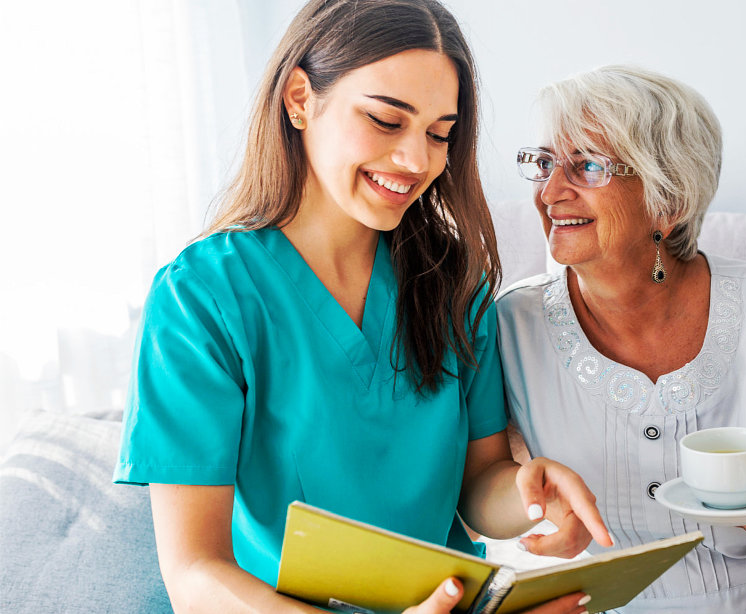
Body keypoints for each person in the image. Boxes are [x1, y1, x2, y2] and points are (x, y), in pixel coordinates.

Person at [114, 2, 612, 612]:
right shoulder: (199, 299)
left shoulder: (456, 280)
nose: (417, 161)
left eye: (439, 134)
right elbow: (195, 571)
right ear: (300, 98)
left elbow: (477, 486)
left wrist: (530, 493)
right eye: (384, 121)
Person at [497, 65, 746, 612]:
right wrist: (537, 509)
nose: (549, 192)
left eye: (587, 166)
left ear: (670, 201)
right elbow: (488, 489)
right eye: (544, 163)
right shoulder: (508, 328)